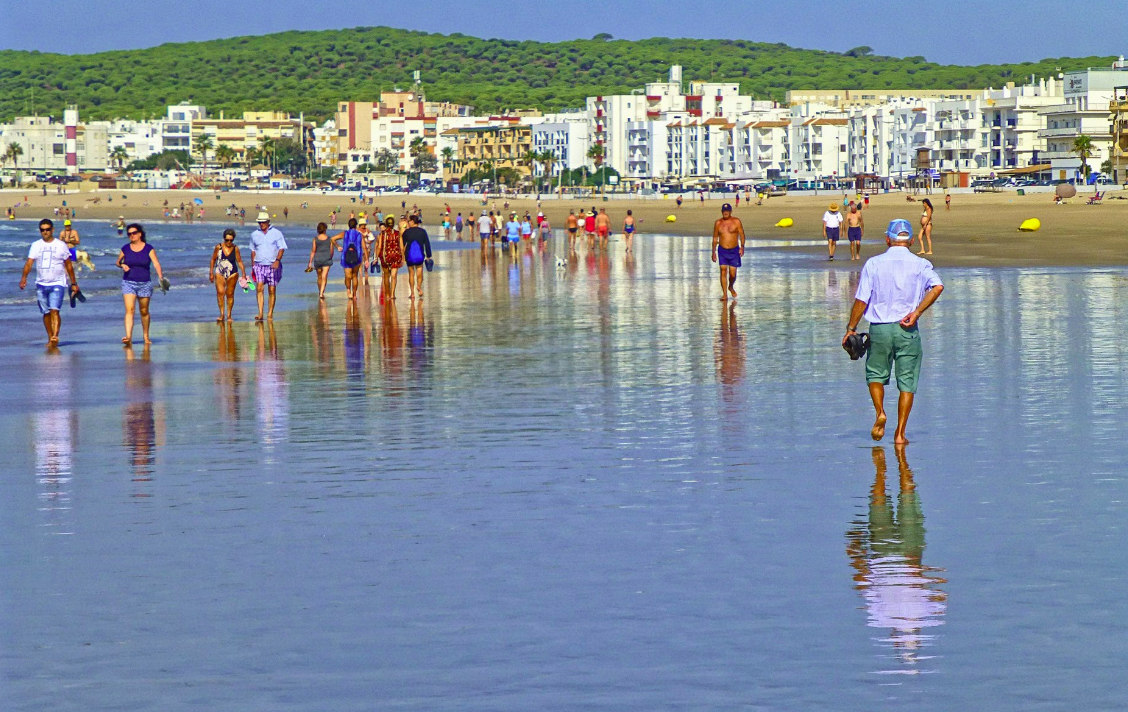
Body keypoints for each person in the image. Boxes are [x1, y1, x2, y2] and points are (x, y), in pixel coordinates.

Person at [843, 219, 944, 445]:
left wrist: (851, 328)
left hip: (879, 328)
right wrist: (917, 312)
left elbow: (862, 299)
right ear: (909, 241)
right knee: (907, 382)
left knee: (875, 375)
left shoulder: (874, 263)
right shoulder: (920, 264)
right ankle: (900, 435)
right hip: (907, 328)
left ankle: (880, 411)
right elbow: (937, 287)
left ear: (887, 239)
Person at [19, 218, 80, 346]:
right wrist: (24, 278)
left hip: (57, 283)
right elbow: (29, 263)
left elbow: (68, 265)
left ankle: (55, 336)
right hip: (41, 284)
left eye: (47, 229)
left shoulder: (61, 245)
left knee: (55, 310)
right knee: (46, 313)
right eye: (42, 230)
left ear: (52, 230)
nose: (45, 232)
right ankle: (49, 337)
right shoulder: (36, 245)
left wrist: (73, 283)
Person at [116, 223, 165, 345]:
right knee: (130, 309)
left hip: (145, 283)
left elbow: (156, 263)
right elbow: (117, 262)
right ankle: (128, 336)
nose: (131, 235)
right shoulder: (125, 248)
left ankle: (146, 336)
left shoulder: (148, 248)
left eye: (134, 233)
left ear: (140, 234)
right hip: (128, 282)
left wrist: (161, 277)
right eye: (129, 234)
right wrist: (122, 265)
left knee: (144, 311)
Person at [249, 210, 287, 321]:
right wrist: (253, 265)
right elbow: (253, 250)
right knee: (259, 288)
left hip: (272, 265)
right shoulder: (254, 234)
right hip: (259, 265)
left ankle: (270, 313)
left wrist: (277, 261)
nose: (261, 224)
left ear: (268, 221)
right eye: (260, 222)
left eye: (263, 222)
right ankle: (260, 313)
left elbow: (281, 248)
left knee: (272, 289)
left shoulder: (276, 233)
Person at [711, 203, 745, 302]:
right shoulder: (718, 223)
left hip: (734, 250)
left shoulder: (736, 221)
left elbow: (742, 235)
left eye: (727, 211)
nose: (725, 213)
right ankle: (725, 294)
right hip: (722, 250)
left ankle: (731, 286)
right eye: (724, 211)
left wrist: (742, 247)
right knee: (723, 270)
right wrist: (713, 252)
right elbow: (715, 238)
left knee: (733, 274)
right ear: (722, 212)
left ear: (730, 211)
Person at [209, 228, 246, 322]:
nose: (229, 242)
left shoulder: (235, 248)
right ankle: (221, 314)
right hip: (219, 271)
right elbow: (213, 259)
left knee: (230, 294)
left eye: (231, 240)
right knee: (220, 293)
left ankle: (229, 315)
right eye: (227, 240)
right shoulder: (218, 247)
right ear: (224, 238)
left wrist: (244, 273)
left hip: (232, 273)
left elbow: (239, 261)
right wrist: (211, 272)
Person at [307, 222, 343, 301]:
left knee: (319, 276)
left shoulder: (315, 239)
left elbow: (313, 251)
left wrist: (310, 262)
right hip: (326, 258)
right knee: (324, 276)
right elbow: (331, 250)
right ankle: (321, 293)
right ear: (325, 230)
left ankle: (320, 291)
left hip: (318, 259)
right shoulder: (329, 239)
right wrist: (330, 257)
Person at [333, 218, 365, 301]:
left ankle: (348, 290)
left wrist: (338, 246)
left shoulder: (345, 233)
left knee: (348, 276)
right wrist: (367, 259)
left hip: (346, 257)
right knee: (355, 276)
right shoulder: (359, 234)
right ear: (356, 225)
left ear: (349, 225)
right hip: (357, 257)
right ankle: (354, 294)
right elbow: (364, 247)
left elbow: (332, 239)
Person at [402, 214, 433, 300]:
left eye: (409, 221)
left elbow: (403, 245)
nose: (408, 223)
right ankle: (419, 286)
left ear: (412, 221)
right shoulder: (422, 232)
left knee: (411, 274)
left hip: (409, 256)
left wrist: (402, 256)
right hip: (419, 255)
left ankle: (412, 293)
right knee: (419, 273)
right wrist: (428, 255)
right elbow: (427, 244)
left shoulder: (406, 232)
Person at [377, 215, 403, 299]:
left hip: (385, 256)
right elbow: (401, 247)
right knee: (394, 275)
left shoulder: (382, 234)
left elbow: (379, 247)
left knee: (386, 275)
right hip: (396, 255)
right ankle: (392, 294)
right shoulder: (397, 233)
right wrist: (403, 258)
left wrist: (376, 257)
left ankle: (387, 293)